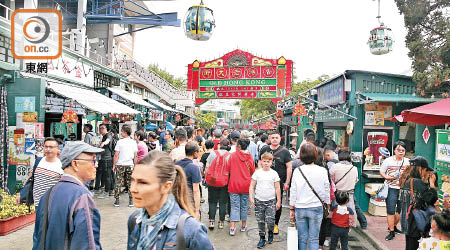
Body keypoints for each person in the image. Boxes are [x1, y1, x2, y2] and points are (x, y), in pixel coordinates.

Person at [127, 150, 214, 250]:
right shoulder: (135, 220)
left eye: (143, 183)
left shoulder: (191, 230)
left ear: (166, 186)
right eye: (132, 180)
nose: (133, 189)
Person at [32, 141, 104, 250]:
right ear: (75, 164)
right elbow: (86, 244)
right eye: (93, 160)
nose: (96, 165)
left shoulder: (48, 194)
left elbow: (38, 239)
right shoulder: (81, 197)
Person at [290, 143, 330, 250]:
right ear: (315, 155)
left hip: (300, 207)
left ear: (302, 156)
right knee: (314, 238)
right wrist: (327, 203)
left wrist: (291, 207)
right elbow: (327, 189)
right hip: (316, 207)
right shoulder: (322, 170)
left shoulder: (298, 171)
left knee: (302, 237)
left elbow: (293, 190)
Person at [259, 131, 293, 234]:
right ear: (269, 138)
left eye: (276, 138)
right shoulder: (264, 149)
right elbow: (259, 163)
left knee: (277, 203)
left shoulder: (285, 152)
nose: (274, 139)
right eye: (272, 137)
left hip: (279, 182)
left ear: (280, 139)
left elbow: (289, 167)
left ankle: (275, 224)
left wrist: (287, 182)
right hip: (265, 182)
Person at [249, 152, 281, 248]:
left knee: (270, 220)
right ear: (261, 162)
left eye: (268, 161)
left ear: (271, 162)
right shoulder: (257, 173)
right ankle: (262, 238)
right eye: (264, 161)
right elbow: (252, 186)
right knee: (260, 221)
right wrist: (251, 197)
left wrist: (278, 200)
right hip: (259, 200)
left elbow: (277, 188)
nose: (266, 163)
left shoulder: (274, 173)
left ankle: (270, 232)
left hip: (271, 200)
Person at [380, 141, 410, 240]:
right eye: (398, 150)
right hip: (391, 188)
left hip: (403, 189)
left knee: (400, 211)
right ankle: (391, 231)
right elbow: (382, 172)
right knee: (390, 211)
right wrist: (387, 177)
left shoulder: (407, 161)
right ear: (394, 150)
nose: (401, 152)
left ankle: (393, 226)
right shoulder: (388, 161)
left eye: (403, 150)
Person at [226, 138, 255, 236]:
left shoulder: (232, 156)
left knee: (234, 206)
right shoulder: (250, 157)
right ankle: (243, 226)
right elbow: (252, 171)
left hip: (233, 184)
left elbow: (228, 168)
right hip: (246, 185)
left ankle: (232, 228)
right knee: (244, 206)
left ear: (238, 146)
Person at [205, 139, 231, 230]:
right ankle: (221, 222)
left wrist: (206, 178)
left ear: (220, 145)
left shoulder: (213, 153)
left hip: (212, 181)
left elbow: (207, 166)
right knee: (223, 202)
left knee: (212, 201)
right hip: (224, 182)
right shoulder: (230, 156)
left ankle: (211, 221)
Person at [32, 137, 63, 208]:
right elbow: (31, 178)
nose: (48, 149)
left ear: (58, 149)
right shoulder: (38, 161)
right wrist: (21, 194)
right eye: (46, 147)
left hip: (53, 205)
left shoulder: (62, 165)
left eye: (51, 147)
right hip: (37, 204)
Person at [175, 142, 202, 219]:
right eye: (198, 151)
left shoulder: (176, 164)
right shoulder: (194, 168)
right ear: (194, 153)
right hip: (189, 201)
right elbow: (196, 190)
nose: (199, 153)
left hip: (177, 199)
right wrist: (197, 210)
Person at [113, 125, 138, 207]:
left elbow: (116, 155)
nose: (121, 133)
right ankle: (131, 201)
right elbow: (135, 155)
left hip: (120, 165)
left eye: (122, 131)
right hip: (130, 165)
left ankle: (117, 200)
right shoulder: (133, 142)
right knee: (130, 183)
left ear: (125, 132)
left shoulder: (120, 142)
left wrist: (114, 165)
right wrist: (135, 165)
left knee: (118, 182)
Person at [330, 150, 358, 219]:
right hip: (349, 194)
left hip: (337, 195)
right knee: (350, 213)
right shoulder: (354, 168)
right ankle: (349, 227)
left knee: (336, 213)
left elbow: (331, 179)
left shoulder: (335, 166)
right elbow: (356, 180)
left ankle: (336, 226)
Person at [96, 124, 114, 198]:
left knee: (107, 176)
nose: (101, 130)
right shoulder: (103, 136)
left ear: (106, 129)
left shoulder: (108, 135)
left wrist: (103, 143)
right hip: (105, 158)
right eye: (100, 128)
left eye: (102, 128)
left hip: (107, 159)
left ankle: (107, 192)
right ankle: (110, 191)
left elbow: (108, 141)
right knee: (108, 175)